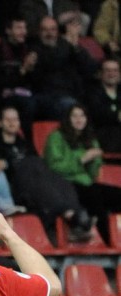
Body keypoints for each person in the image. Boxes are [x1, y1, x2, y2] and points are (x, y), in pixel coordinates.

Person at [0, 105, 93, 241]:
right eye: (8, 119)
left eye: (15, 119)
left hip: (35, 185)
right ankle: (72, 217)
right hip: (15, 187)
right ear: (0, 123)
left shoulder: (24, 143)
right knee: (32, 167)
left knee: (60, 180)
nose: (12, 123)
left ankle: (72, 212)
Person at [43, 102, 121, 244]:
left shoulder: (90, 138)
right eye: (74, 116)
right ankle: (110, 243)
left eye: (82, 116)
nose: (79, 119)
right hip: (65, 184)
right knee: (96, 201)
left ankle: (115, 238)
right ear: (68, 119)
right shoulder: (56, 137)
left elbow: (92, 174)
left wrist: (94, 160)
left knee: (116, 195)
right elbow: (54, 167)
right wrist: (82, 159)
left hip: (86, 182)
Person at [0, 17, 38, 141]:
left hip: (27, 94)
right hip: (2, 96)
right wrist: (22, 70)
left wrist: (32, 69)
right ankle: (26, 142)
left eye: (24, 28)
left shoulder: (29, 51)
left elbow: (36, 82)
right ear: (8, 30)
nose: (23, 32)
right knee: (27, 104)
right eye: (18, 28)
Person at [87, 57, 121, 153]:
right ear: (100, 73)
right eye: (108, 70)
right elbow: (97, 114)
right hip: (102, 136)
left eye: (115, 70)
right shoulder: (92, 92)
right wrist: (116, 115)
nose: (112, 74)